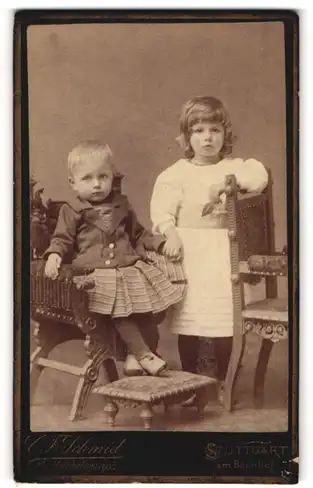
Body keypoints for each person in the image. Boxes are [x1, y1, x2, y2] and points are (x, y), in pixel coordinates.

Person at [150, 96, 268, 398]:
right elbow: (161, 210)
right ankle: (191, 382)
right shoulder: (176, 173)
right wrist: (170, 233)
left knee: (224, 320)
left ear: (225, 134)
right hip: (191, 255)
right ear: (187, 136)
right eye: (199, 130)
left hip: (223, 256)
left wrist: (227, 183)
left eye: (215, 130)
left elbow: (259, 175)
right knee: (191, 320)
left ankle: (223, 380)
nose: (207, 138)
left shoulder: (234, 166)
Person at [44, 141, 186, 377]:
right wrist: (54, 255)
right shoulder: (71, 212)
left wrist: (159, 243)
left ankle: (133, 357)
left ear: (112, 177)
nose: (97, 184)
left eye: (103, 177)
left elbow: (138, 234)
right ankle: (144, 354)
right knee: (120, 309)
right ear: (73, 183)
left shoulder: (122, 206)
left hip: (128, 270)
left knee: (145, 308)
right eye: (87, 178)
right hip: (95, 276)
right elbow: (62, 239)